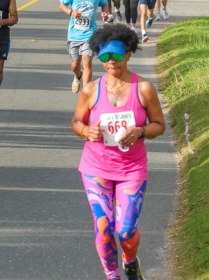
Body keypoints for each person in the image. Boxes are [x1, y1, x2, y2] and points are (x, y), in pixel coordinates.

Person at [71, 23, 166, 280]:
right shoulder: (91, 90)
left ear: (128, 54)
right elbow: (76, 121)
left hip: (131, 169)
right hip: (96, 167)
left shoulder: (143, 89)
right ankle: (112, 275)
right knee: (103, 229)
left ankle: (130, 261)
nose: (111, 61)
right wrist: (86, 131)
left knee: (125, 231)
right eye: (105, 56)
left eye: (116, 55)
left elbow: (159, 125)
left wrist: (140, 131)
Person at [59, 0, 110, 94]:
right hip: (74, 35)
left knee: (87, 62)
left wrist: (105, 13)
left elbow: (105, 4)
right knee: (75, 65)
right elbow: (61, 5)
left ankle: (85, 93)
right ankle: (77, 76)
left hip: (90, 34)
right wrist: (71, 12)